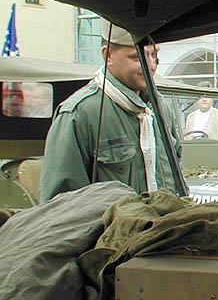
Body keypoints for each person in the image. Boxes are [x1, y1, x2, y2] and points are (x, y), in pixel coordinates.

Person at [39, 24, 182, 201]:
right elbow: (60, 205)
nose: (151, 65)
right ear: (108, 56)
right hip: (113, 228)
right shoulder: (79, 114)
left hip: (164, 225)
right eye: (138, 57)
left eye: (154, 55)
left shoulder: (160, 111)